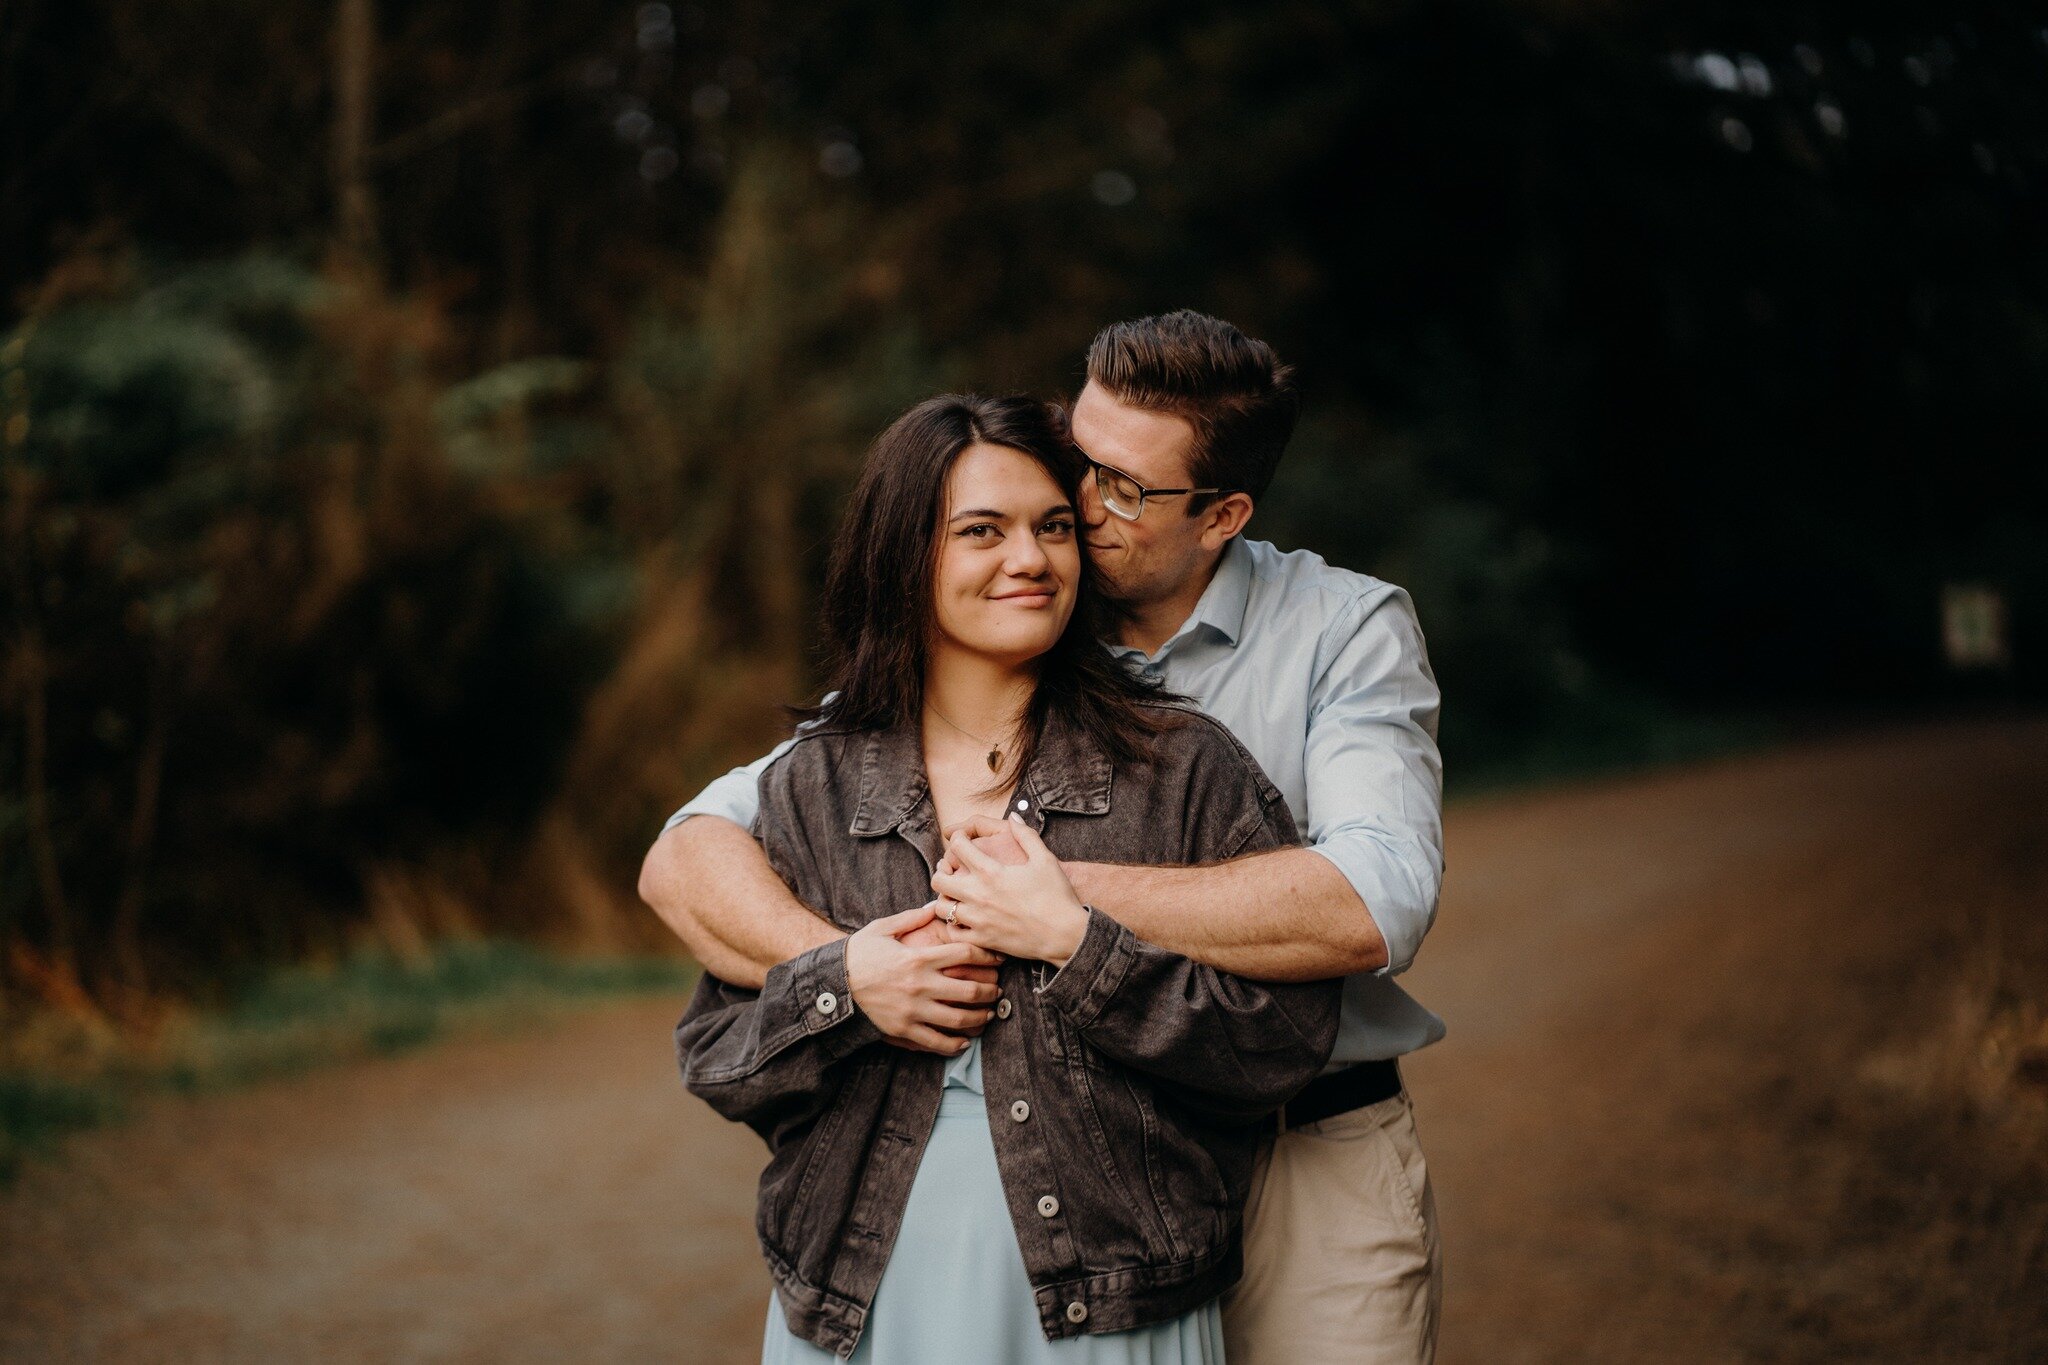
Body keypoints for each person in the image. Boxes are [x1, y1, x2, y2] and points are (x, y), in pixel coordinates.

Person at [644, 312, 1447, 1364]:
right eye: (1076, 460)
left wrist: (1056, 906)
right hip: (1059, 1179)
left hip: (1309, 1149)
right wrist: (844, 973)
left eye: (1116, 489)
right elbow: (694, 845)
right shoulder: (1002, 627)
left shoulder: (1338, 630)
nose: (1068, 506)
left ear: (1221, 514)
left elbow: (1374, 898)